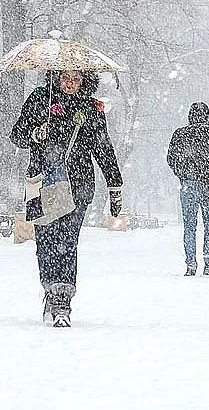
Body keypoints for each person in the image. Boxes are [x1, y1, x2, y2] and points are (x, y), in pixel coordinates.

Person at [11, 69, 124, 328]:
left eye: (76, 78)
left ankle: (63, 299)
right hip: (41, 183)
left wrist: (115, 185)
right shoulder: (39, 99)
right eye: (65, 78)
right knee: (45, 242)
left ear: (85, 80)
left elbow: (104, 149)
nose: (70, 83)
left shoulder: (91, 108)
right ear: (55, 77)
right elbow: (16, 135)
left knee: (67, 240)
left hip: (78, 183)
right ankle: (50, 290)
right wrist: (34, 134)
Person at [166, 102, 209, 276]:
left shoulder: (180, 135)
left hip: (189, 184)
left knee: (189, 225)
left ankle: (191, 263)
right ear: (207, 116)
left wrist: (183, 174)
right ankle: (208, 261)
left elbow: (171, 158)